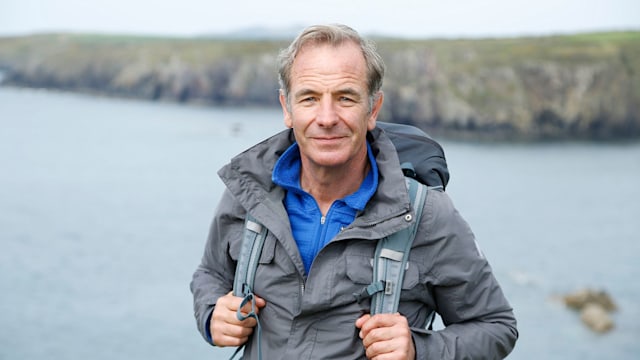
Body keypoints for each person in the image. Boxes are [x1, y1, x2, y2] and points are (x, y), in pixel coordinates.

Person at [191, 24, 518, 359]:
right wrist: (211, 314)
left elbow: (496, 326)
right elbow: (211, 274)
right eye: (310, 98)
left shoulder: (427, 215)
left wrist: (419, 349)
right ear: (287, 108)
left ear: (372, 109)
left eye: (345, 97)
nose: (327, 117)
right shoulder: (249, 193)